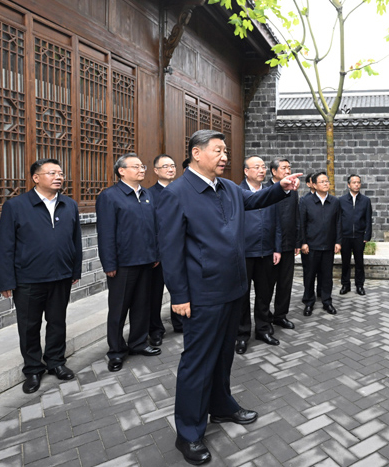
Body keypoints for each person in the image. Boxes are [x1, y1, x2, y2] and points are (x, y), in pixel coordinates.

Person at [156, 130, 302, 465]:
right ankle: (189, 433)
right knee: (197, 362)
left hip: (233, 289)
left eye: (226, 151)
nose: (225, 157)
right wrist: (178, 295)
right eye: (218, 151)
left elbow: (253, 201)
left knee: (223, 356)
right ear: (196, 153)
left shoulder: (229, 189)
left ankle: (221, 406)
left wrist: (280, 189)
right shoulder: (177, 193)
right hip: (202, 293)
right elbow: (171, 249)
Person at [0, 158, 82, 393]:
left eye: (60, 173)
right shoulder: (17, 206)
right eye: (52, 173)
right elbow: (5, 246)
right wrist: (5, 280)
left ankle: (56, 362)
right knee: (29, 326)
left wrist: (75, 269)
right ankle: (33, 369)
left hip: (60, 276)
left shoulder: (69, 204)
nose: (58, 177)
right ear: (36, 178)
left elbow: (76, 241)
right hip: (28, 279)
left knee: (57, 322)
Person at [96, 153, 162, 374]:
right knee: (119, 309)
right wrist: (109, 263)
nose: (142, 169)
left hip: (146, 261)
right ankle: (116, 351)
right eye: (136, 166)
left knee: (142, 305)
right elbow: (105, 233)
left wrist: (155, 254)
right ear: (121, 171)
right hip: (123, 264)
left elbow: (154, 227)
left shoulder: (147, 195)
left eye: (142, 166)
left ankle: (138, 343)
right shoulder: (110, 196)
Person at [236, 156, 282, 354]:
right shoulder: (237, 192)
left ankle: (263, 329)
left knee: (264, 293)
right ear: (246, 171)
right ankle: (241, 334)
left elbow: (277, 223)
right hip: (244, 253)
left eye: (263, 167)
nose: (261, 170)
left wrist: (277, 248)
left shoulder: (270, 192)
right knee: (242, 296)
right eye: (257, 167)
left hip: (266, 252)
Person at [147, 154, 182, 339]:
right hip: (159, 254)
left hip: (181, 251)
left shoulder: (182, 190)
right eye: (166, 166)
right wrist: (155, 253)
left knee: (180, 287)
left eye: (173, 165)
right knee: (155, 294)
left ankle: (180, 322)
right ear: (156, 171)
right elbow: (149, 227)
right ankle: (155, 329)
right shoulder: (149, 195)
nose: (170, 169)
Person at [299, 172, 342, 316]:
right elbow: (301, 223)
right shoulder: (305, 201)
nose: (325, 184)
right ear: (314, 185)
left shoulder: (334, 202)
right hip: (311, 247)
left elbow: (338, 223)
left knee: (327, 276)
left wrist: (338, 241)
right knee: (309, 276)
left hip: (328, 246)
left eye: (327, 181)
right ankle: (309, 302)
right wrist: (303, 243)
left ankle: (327, 302)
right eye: (322, 181)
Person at [266, 158, 298, 333]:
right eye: (284, 168)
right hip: (270, 247)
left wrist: (297, 241)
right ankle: (265, 316)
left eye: (289, 167)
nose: (287, 171)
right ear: (273, 171)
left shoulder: (293, 190)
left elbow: (296, 216)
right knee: (267, 284)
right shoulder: (266, 190)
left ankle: (281, 315)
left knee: (285, 283)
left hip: (288, 244)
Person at [339, 174, 373, 295]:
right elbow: (338, 220)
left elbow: (368, 219)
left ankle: (359, 285)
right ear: (349, 185)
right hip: (345, 237)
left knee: (359, 262)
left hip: (359, 237)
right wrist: (339, 237)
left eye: (358, 182)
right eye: (354, 182)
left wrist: (366, 236)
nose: (356, 185)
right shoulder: (341, 200)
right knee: (345, 262)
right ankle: (345, 285)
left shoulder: (365, 201)